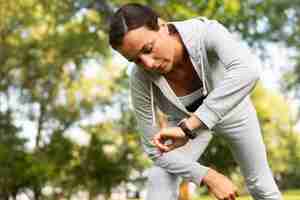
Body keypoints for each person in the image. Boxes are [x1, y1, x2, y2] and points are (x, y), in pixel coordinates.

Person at [109, 3, 282, 200]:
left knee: (260, 184)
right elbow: (152, 149)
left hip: (232, 113)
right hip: (183, 126)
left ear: (162, 25)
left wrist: (189, 126)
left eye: (148, 49)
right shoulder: (140, 78)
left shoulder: (204, 32)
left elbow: (247, 71)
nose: (147, 64)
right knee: (159, 178)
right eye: (136, 60)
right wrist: (207, 176)